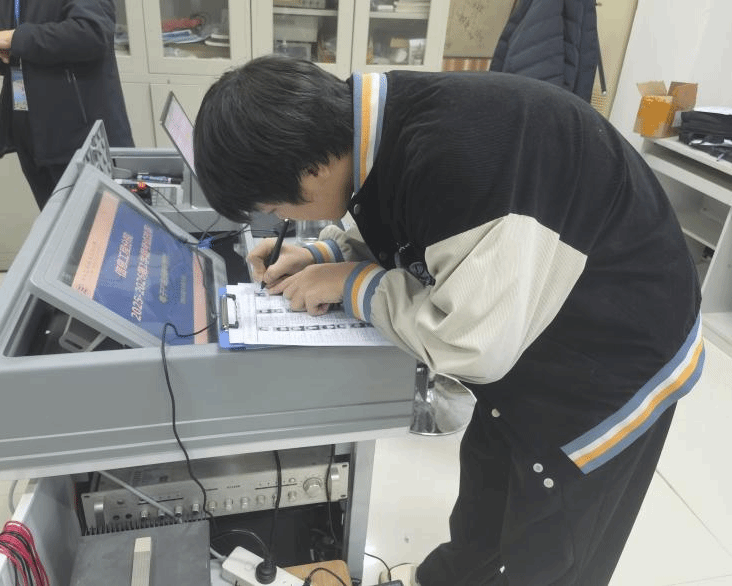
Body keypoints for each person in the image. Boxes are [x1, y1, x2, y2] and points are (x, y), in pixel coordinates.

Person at [193, 55, 704, 585]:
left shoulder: (458, 162)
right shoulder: (375, 125)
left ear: (312, 169)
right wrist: (324, 254)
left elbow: (471, 345)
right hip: (530, 321)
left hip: (613, 354)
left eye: (279, 208)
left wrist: (351, 285)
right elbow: (411, 220)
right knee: (485, 495)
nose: (284, 221)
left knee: (553, 548)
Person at [0, 0, 134, 210]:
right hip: (31, 135)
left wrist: (14, 38)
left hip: (81, 137)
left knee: (103, 224)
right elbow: (22, 50)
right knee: (58, 224)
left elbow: (92, 32)